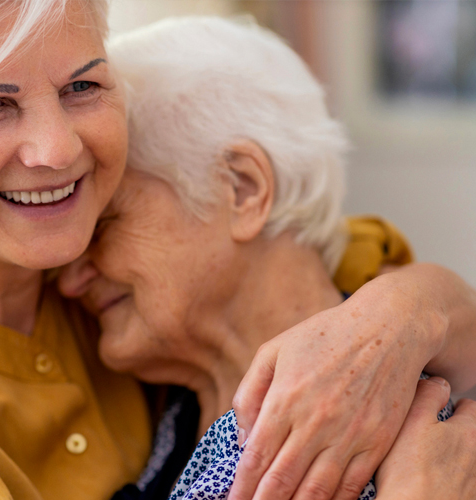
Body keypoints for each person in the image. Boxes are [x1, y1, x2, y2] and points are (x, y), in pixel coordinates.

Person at [0, 2, 473, 498]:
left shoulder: (86, 279)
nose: (56, 151)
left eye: (83, 87)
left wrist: (416, 311)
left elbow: (346, 270)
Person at [59, 16, 476, 500]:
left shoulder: (412, 434)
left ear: (244, 189)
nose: (70, 276)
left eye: (104, 222)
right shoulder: (169, 416)